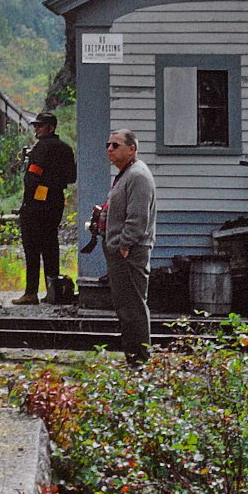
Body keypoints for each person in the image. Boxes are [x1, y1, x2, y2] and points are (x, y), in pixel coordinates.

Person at [102, 128, 157, 364]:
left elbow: (137, 219)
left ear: (132, 149)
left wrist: (123, 245)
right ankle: (133, 358)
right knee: (126, 308)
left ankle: (139, 361)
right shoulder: (126, 174)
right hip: (122, 252)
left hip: (130, 253)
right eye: (108, 145)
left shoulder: (138, 176)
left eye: (116, 145)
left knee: (132, 308)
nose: (110, 149)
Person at [11, 111, 76, 305]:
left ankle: (31, 293)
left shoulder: (41, 148)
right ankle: (53, 292)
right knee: (50, 245)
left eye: (39, 126)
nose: (36, 129)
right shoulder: (66, 149)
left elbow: (32, 177)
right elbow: (71, 178)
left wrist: (28, 201)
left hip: (36, 204)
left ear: (50, 127)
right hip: (56, 201)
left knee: (32, 248)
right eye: (35, 126)